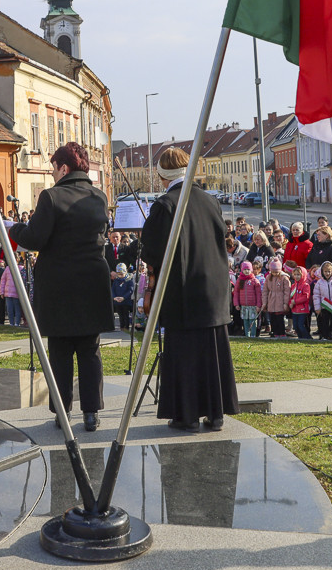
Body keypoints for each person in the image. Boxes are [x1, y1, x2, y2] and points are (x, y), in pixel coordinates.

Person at [10, 143, 113, 432]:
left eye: (53, 167)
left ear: (64, 168)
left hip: (60, 284)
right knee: (90, 350)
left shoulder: (51, 196)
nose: (52, 173)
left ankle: (63, 411)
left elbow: (35, 238)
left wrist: (14, 228)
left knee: (61, 350)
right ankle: (91, 413)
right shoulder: (99, 196)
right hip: (92, 281)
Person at [141, 147, 238, 432]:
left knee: (184, 355)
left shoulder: (165, 204)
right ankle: (216, 414)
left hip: (183, 290)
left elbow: (151, 251)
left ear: (162, 175)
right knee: (213, 353)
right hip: (213, 289)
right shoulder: (210, 200)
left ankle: (187, 416)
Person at [312, 261, 332, 341]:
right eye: (325, 271)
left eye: (329, 271)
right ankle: (325, 336)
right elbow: (316, 296)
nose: (327, 273)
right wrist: (317, 307)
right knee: (325, 321)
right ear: (322, 272)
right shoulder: (319, 283)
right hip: (324, 304)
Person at [233, 261, 263, 338]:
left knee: (252, 321)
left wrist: (258, 305)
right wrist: (236, 304)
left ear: (251, 270)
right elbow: (236, 292)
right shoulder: (239, 280)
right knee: (245, 320)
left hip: (253, 306)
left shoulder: (254, 281)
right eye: (245, 269)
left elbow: (258, 294)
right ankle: (247, 335)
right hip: (243, 305)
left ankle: (253, 335)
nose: (247, 271)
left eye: (248, 269)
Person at [263, 257, 290, 337]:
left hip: (280, 301)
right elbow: (265, 291)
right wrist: (264, 302)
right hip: (271, 301)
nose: (274, 274)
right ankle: (275, 333)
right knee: (273, 318)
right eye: (273, 272)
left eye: (276, 272)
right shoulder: (268, 278)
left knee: (279, 319)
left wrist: (285, 303)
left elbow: (287, 292)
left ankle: (281, 333)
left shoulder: (284, 278)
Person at [288, 265, 312, 340]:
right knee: (295, 326)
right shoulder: (293, 286)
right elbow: (291, 296)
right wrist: (290, 303)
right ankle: (300, 337)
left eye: (298, 274)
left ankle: (307, 338)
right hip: (295, 310)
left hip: (302, 310)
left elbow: (305, 297)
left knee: (301, 325)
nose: (296, 276)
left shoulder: (306, 285)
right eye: (295, 274)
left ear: (303, 275)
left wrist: (295, 301)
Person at [111, 263, 135, 331]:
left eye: (122, 274)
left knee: (125, 314)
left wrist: (124, 297)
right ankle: (122, 326)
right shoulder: (116, 281)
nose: (120, 276)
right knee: (120, 314)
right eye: (119, 274)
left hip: (126, 301)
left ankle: (126, 327)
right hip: (117, 301)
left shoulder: (129, 280)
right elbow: (113, 289)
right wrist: (114, 297)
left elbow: (130, 290)